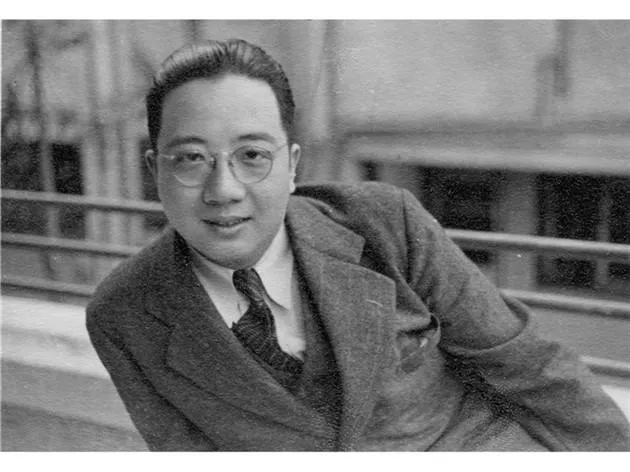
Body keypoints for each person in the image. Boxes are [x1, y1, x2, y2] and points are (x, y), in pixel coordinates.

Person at [86, 38, 630, 452]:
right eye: (190, 159)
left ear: (292, 166)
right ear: (155, 170)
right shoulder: (123, 313)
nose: (223, 190)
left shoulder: (383, 222)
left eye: (252, 156)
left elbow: (529, 366)